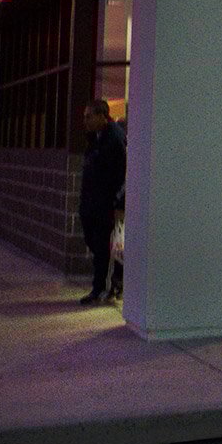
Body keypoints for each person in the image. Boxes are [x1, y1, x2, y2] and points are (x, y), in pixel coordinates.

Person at [78, 99, 127, 306]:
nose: (85, 121)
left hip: (106, 204)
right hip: (92, 202)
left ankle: (103, 287)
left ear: (101, 116)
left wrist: (119, 204)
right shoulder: (95, 137)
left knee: (104, 246)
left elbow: (123, 173)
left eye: (89, 116)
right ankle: (110, 283)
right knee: (95, 242)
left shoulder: (114, 138)